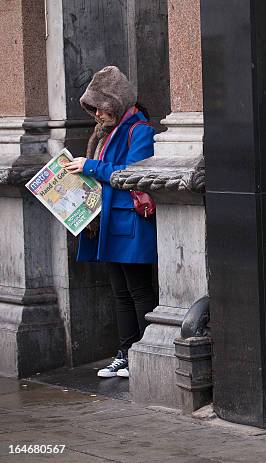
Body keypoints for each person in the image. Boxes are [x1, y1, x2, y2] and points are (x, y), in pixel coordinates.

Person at [65, 66, 157, 379]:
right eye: (92, 110)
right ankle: (125, 352)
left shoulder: (139, 129)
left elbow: (132, 173)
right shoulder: (106, 133)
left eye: (99, 109)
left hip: (130, 223)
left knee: (139, 290)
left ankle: (143, 352)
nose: (96, 116)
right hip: (109, 222)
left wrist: (90, 165)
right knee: (119, 291)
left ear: (115, 104)